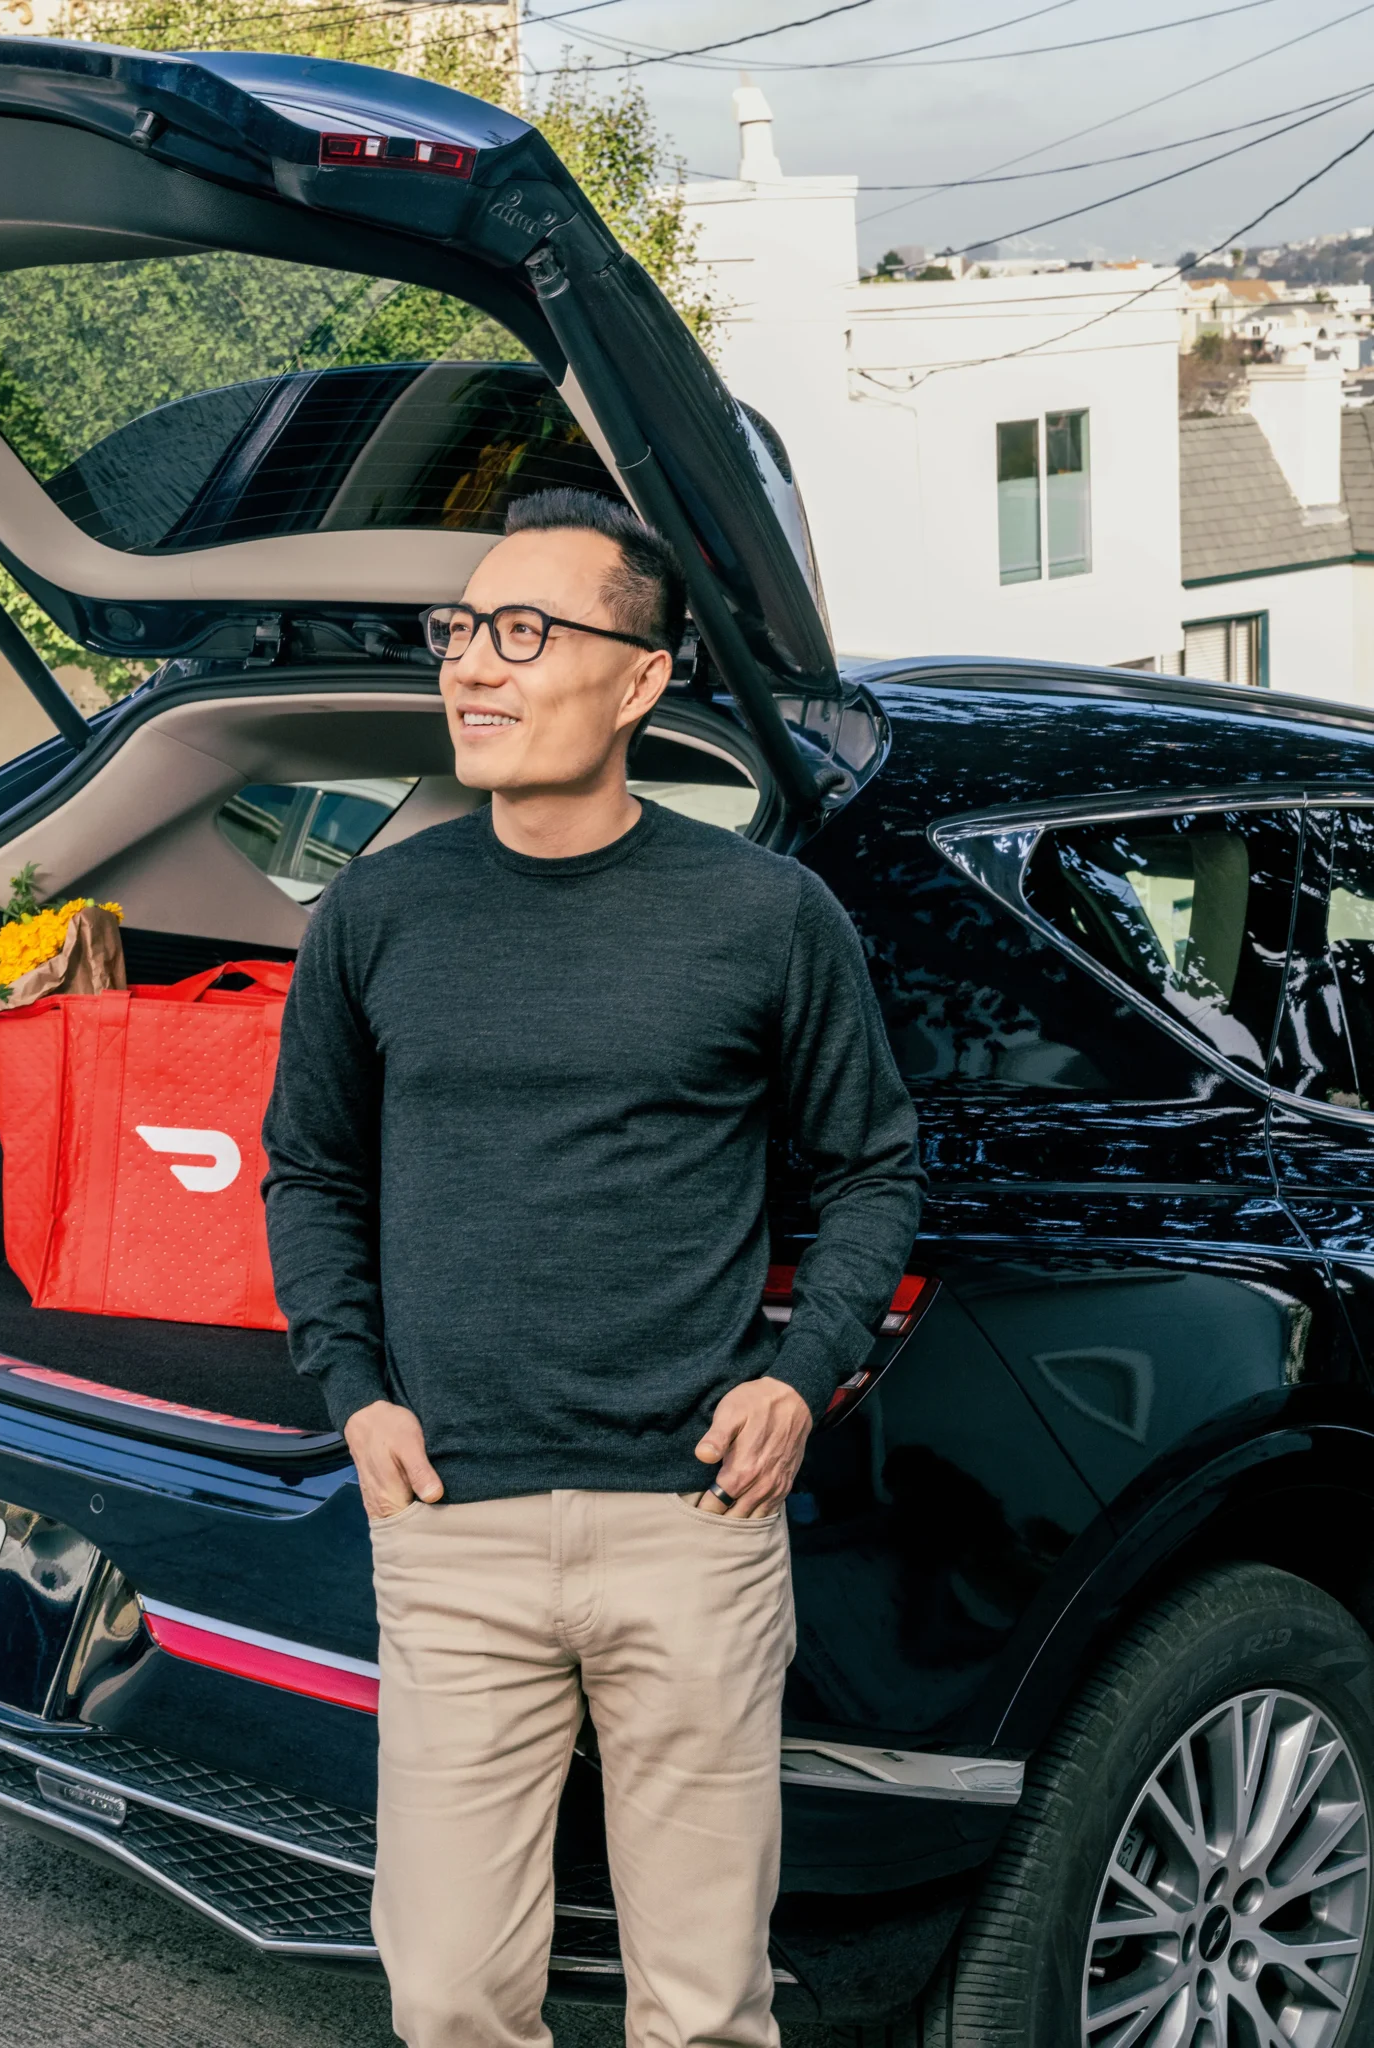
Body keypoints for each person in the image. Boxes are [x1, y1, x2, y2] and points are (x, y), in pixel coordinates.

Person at [262, 487, 923, 2048]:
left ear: (638, 679)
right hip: (452, 1519)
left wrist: (797, 1375)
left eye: (523, 630)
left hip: (691, 1524)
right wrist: (351, 1389)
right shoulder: (376, 910)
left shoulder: (765, 917)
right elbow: (312, 1169)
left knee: (699, 2007)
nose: (471, 664)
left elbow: (872, 1169)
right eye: (460, 630)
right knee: (446, 1994)